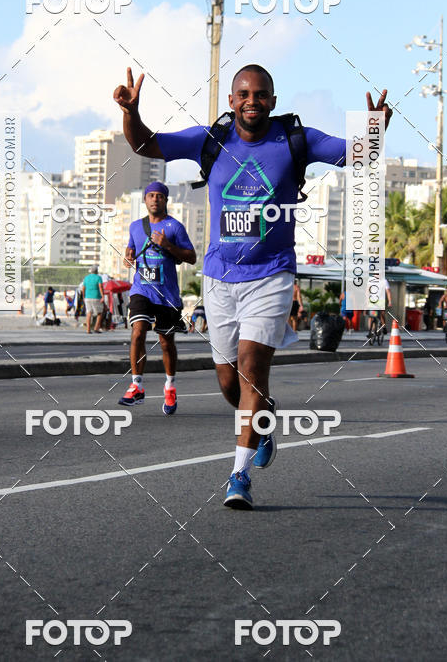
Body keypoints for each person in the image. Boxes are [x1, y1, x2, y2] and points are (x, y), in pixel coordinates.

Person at [114, 64, 392, 509]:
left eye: (261, 95)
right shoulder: (212, 139)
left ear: (273, 101)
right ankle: (263, 420)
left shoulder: (295, 139)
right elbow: (146, 144)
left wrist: (375, 129)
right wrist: (131, 111)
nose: (252, 101)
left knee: (250, 367)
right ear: (231, 101)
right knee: (229, 381)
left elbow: (354, 154)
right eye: (243, 94)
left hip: (272, 274)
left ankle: (238, 475)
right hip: (220, 277)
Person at [118, 182, 196, 414]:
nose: (155, 199)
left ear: (165, 200)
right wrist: (127, 257)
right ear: (145, 200)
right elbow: (130, 252)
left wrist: (168, 245)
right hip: (141, 289)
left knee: (165, 342)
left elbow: (191, 257)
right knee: (138, 331)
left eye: (159, 196)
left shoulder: (175, 226)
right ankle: (136, 385)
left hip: (167, 294)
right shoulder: (135, 226)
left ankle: (170, 385)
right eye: (151, 196)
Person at [82, 266, 104, 333]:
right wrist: (103, 296)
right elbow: (100, 287)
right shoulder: (98, 277)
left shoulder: (86, 278)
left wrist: (83, 296)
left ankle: (88, 329)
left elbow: (83, 288)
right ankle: (96, 328)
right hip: (96, 297)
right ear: (97, 271)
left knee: (89, 313)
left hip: (87, 297)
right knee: (99, 313)